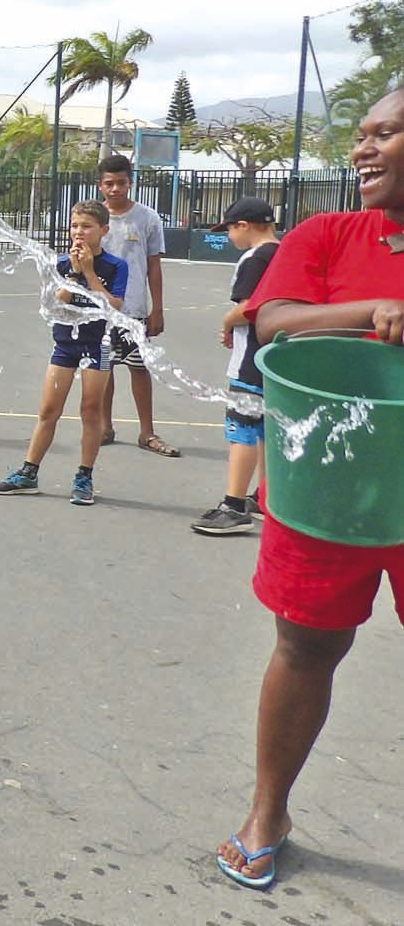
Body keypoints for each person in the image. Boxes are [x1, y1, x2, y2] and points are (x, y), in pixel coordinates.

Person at [215, 89, 404, 890]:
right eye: (360, 135)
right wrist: (376, 309)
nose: (363, 149)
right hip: (334, 476)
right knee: (306, 643)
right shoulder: (329, 234)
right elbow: (272, 322)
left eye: (386, 133)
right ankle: (268, 812)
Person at [0, 201, 129, 506]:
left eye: (87, 226)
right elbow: (53, 306)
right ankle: (29, 471)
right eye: (75, 226)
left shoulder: (116, 266)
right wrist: (76, 275)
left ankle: (84, 475)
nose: (79, 232)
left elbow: (113, 307)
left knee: (91, 410)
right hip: (65, 344)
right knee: (48, 410)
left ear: (103, 231)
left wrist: (90, 272)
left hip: (98, 344)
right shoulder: (62, 263)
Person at [191, 199, 280, 537]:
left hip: (251, 359)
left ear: (244, 225)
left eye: (229, 229)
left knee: (242, 429)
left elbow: (249, 307)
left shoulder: (254, 258)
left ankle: (234, 504)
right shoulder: (286, 254)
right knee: (266, 431)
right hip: (276, 358)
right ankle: (265, 496)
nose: (229, 236)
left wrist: (227, 322)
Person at [97, 154, 179, 456]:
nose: (115, 188)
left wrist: (157, 308)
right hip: (101, 310)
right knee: (103, 370)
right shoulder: (95, 218)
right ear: (100, 185)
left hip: (135, 311)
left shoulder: (147, 218)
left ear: (130, 183)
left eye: (121, 183)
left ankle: (147, 432)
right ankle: (104, 426)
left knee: (139, 368)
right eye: (109, 183)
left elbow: (154, 266)